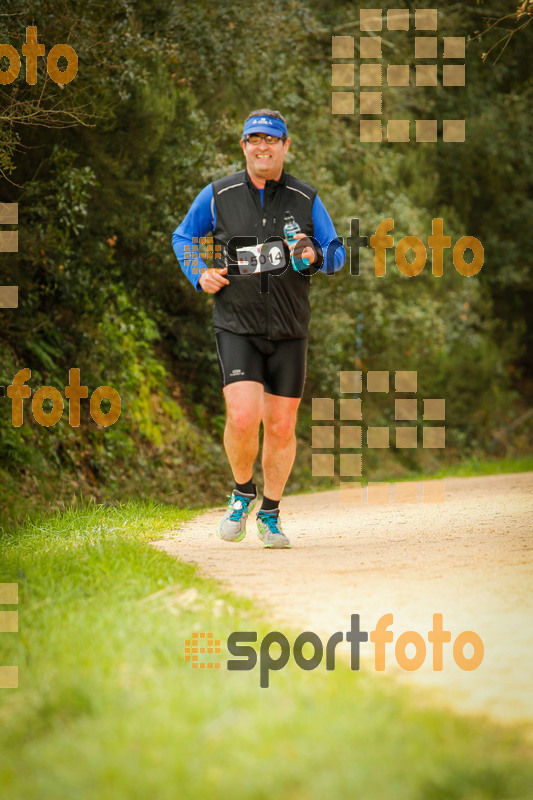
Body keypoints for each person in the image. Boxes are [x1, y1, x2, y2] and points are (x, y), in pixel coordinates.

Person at [172, 109, 345, 549]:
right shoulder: (219, 194)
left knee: (282, 426)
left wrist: (317, 257)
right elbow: (184, 237)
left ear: (286, 146)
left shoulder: (306, 199)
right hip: (236, 324)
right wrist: (200, 274)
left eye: (271, 140)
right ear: (243, 146)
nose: (262, 147)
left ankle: (269, 512)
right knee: (244, 416)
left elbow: (337, 250)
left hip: (289, 328)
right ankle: (241, 491)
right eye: (254, 140)